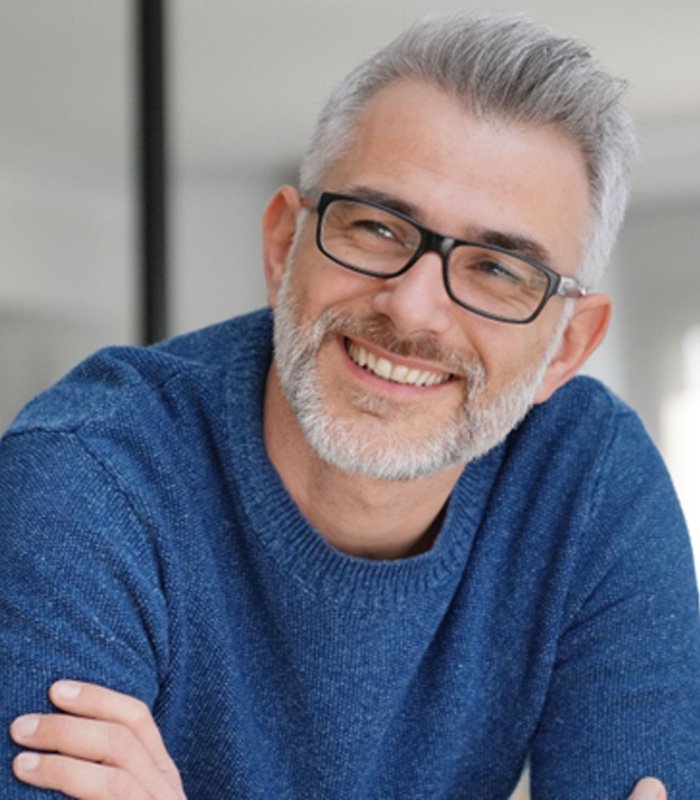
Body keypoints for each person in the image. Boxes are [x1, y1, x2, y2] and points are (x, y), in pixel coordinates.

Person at [1, 10, 698, 799]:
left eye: (499, 270)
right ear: (281, 248)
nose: (413, 310)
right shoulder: (87, 478)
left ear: (566, 349)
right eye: (376, 226)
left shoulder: (589, 484)